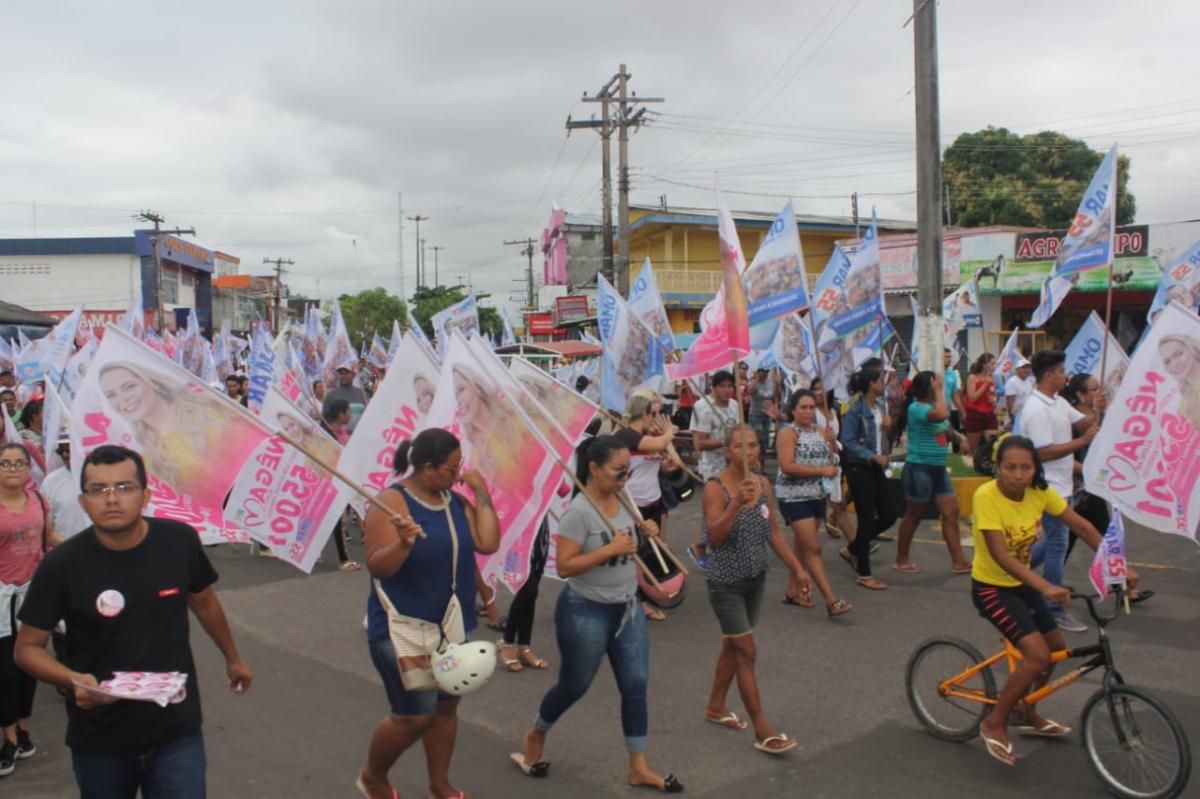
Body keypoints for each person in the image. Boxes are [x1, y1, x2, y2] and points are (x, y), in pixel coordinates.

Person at [14, 445, 252, 795]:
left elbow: (203, 602)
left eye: (124, 487)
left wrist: (233, 658)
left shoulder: (179, 541)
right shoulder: (61, 565)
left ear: (146, 496)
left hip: (176, 731)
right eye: (98, 489)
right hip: (100, 739)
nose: (112, 499)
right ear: (83, 501)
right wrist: (73, 679)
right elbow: (27, 648)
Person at [513, 436, 681, 794]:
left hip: (628, 608)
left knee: (635, 685)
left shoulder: (624, 499)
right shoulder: (579, 512)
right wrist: (609, 549)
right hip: (585, 611)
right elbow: (566, 566)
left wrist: (645, 533)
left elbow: (630, 547)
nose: (624, 478)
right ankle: (537, 732)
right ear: (593, 469)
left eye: (628, 471)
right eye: (618, 471)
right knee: (574, 685)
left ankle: (638, 766)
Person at [970, 436, 1138, 767]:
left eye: (1025, 467)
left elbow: (1083, 527)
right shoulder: (986, 496)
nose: (1018, 475)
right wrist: (1046, 586)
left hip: (1022, 584)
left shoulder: (1040, 492)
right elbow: (1001, 556)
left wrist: (1119, 566)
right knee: (1036, 656)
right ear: (998, 467)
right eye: (1010, 467)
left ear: (1036, 468)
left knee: (1055, 650)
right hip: (991, 588)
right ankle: (994, 723)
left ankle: (1027, 710)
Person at [357, 428, 500, 799]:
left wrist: (481, 491)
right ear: (426, 466)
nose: (457, 475)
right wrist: (403, 544)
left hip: (451, 626)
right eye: (451, 469)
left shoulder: (454, 501)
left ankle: (439, 784)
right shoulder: (392, 501)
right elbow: (378, 566)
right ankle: (373, 776)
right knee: (415, 715)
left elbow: (487, 543)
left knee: (446, 708)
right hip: (402, 628)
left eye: (459, 467)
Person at [702, 426, 809, 754]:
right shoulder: (715, 487)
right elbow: (714, 537)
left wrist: (797, 568)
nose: (747, 452)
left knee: (734, 646)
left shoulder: (762, 484)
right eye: (739, 446)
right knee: (746, 651)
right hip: (725, 583)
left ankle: (715, 705)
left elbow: (773, 532)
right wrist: (736, 503)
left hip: (755, 579)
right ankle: (762, 728)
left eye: (752, 445)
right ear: (727, 452)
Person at [1021, 350, 1099, 634]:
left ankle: (1013, 573)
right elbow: (1043, 452)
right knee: (1058, 543)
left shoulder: (1058, 402)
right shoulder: (1035, 408)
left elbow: (1083, 423)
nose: (1066, 376)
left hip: (1064, 484)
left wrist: (1098, 409)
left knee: (1056, 540)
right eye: (1062, 371)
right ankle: (1053, 609)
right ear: (1047, 375)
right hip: (1048, 485)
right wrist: (1081, 443)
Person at [0, 442, 61, 777]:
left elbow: (48, 536)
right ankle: (8, 737)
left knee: (29, 665)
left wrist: (87, 548)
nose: (12, 468)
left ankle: (23, 729)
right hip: (1, 598)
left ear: (28, 468)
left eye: (18, 463)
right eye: (5, 463)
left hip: (33, 594)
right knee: (4, 672)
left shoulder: (38, 499)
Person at [97, 362, 248, 492]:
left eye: (129, 387)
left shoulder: (210, 411)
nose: (122, 398)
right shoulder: (148, 460)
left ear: (152, 381)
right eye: (111, 395)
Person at [774, 391, 852, 617]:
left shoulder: (819, 430)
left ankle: (793, 592)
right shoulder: (788, 433)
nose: (808, 412)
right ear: (793, 410)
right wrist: (821, 471)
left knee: (802, 547)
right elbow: (787, 465)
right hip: (793, 497)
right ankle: (831, 600)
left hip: (817, 496)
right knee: (813, 548)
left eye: (811, 407)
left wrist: (831, 444)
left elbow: (831, 459)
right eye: (803, 407)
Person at [891, 372, 972, 575]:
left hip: (938, 469)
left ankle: (959, 561)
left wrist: (961, 438)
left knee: (951, 512)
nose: (940, 385)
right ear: (929, 387)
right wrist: (939, 391)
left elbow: (944, 429)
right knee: (914, 514)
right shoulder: (916, 408)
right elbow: (942, 415)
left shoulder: (932, 408)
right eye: (936, 383)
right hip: (919, 469)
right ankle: (901, 559)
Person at [613, 391, 680, 622]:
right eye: (654, 412)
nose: (656, 417)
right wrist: (668, 432)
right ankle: (637, 602)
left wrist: (667, 466)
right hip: (631, 505)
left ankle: (645, 597)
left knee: (650, 553)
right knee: (635, 556)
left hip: (653, 501)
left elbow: (668, 462)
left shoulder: (650, 435)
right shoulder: (626, 434)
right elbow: (660, 443)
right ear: (644, 414)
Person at [838, 368, 897, 590]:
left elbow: (881, 440)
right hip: (859, 468)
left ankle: (853, 548)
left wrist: (887, 427)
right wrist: (872, 456)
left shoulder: (879, 407)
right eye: (881, 380)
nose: (884, 383)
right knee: (866, 519)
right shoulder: (856, 410)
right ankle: (864, 573)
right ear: (872, 383)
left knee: (889, 514)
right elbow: (847, 441)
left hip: (876, 467)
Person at [688, 370, 740, 568]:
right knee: (714, 509)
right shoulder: (703, 408)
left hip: (732, 465)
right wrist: (724, 442)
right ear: (713, 387)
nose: (727, 390)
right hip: (712, 467)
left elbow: (739, 432)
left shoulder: (735, 405)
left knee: (732, 507)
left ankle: (715, 546)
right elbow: (699, 443)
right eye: (722, 386)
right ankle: (699, 546)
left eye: (730, 385)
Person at [812, 379, 853, 542]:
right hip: (817, 467)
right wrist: (823, 437)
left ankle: (856, 548)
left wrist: (834, 444)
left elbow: (836, 441)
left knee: (840, 505)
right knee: (817, 512)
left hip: (833, 466)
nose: (818, 393)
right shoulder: (811, 412)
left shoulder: (833, 413)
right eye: (814, 389)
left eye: (821, 389)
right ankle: (806, 549)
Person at [39, 435, 91, 539]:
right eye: (60, 451)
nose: (64, 455)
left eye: (69, 450)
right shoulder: (51, 481)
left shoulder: (102, 477)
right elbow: (45, 527)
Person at [1157, 333, 1200, 430]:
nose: (1174, 364)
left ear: (1193, 349)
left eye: (1178, 354)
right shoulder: (1185, 406)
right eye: (1167, 361)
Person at [964, 353, 998, 455]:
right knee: (973, 448)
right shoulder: (973, 377)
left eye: (995, 364)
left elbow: (993, 395)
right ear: (984, 365)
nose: (994, 366)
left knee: (992, 443)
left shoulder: (992, 378)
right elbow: (972, 397)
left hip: (989, 414)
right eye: (992, 364)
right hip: (975, 414)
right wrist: (985, 384)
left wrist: (994, 400)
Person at [747, 368, 780, 457]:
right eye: (763, 371)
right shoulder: (753, 382)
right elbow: (750, 391)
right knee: (760, 437)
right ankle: (758, 458)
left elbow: (776, 396)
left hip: (767, 415)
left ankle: (762, 459)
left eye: (767, 371)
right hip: (755, 415)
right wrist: (757, 379)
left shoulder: (771, 383)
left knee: (766, 439)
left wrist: (775, 407)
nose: (765, 373)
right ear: (758, 372)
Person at [326, 365, 368, 432]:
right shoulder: (333, 394)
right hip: (345, 434)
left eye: (346, 373)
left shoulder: (359, 391)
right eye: (341, 373)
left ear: (352, 375)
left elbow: (367, 407)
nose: (344, 376)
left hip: (362, 430)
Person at [943, 348, 966, 442]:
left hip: (946, 412)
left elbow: (954, 395)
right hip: (934, 411)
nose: (949, 359)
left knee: (945, 438)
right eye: (946, 357)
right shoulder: (933, 373)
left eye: (950, 357)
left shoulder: (951, 374)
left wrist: (962, 412)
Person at [1004, 358, 1035, 425]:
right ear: (1017, 369)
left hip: (1025, 418)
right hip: (1015, 419)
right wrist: (1012, 419)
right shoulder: (1012, 382)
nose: (1026, 370)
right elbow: (1010, 404)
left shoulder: (1028, 381)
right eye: (1023, 368)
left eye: (1028, 368)